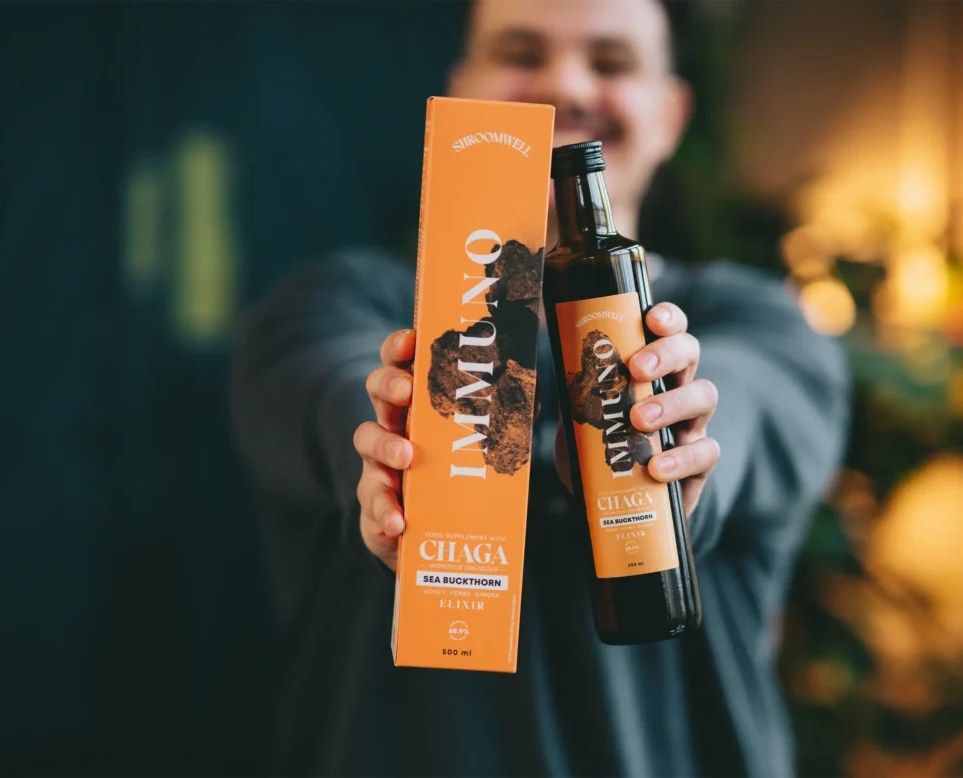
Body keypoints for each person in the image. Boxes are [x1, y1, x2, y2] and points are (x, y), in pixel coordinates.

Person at [231, 0, 850, 775]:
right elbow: (331, 395)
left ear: (671, 112)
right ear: (461, 93)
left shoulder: (763, 328)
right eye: (522, 52)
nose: (563, 83)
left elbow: (747, 418)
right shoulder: (329, 310)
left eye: (612, 62)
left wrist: (680, 447)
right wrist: (390, 445)